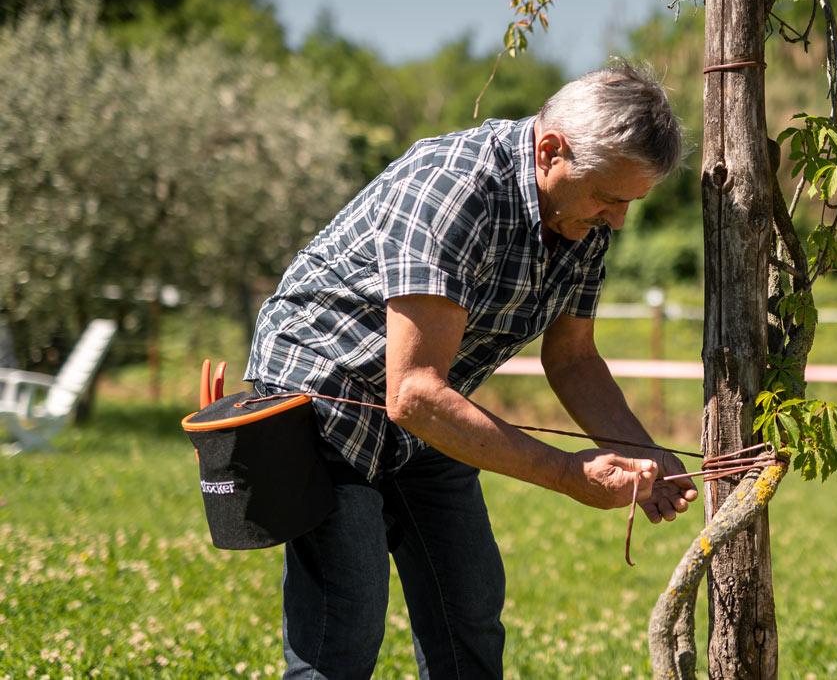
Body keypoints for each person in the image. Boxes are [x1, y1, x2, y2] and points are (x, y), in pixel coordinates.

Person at [244, 60, 699, 680]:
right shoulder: (454, 189)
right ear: (550, 151)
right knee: (344, 624)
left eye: (629, 204)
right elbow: (412, 394)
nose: (617, 221)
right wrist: (568, 473)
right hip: (327, 397)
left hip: (425, 401)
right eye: (609, 198)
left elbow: (572, 358)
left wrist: (644, 453)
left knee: (470, 608)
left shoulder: (582, 220)